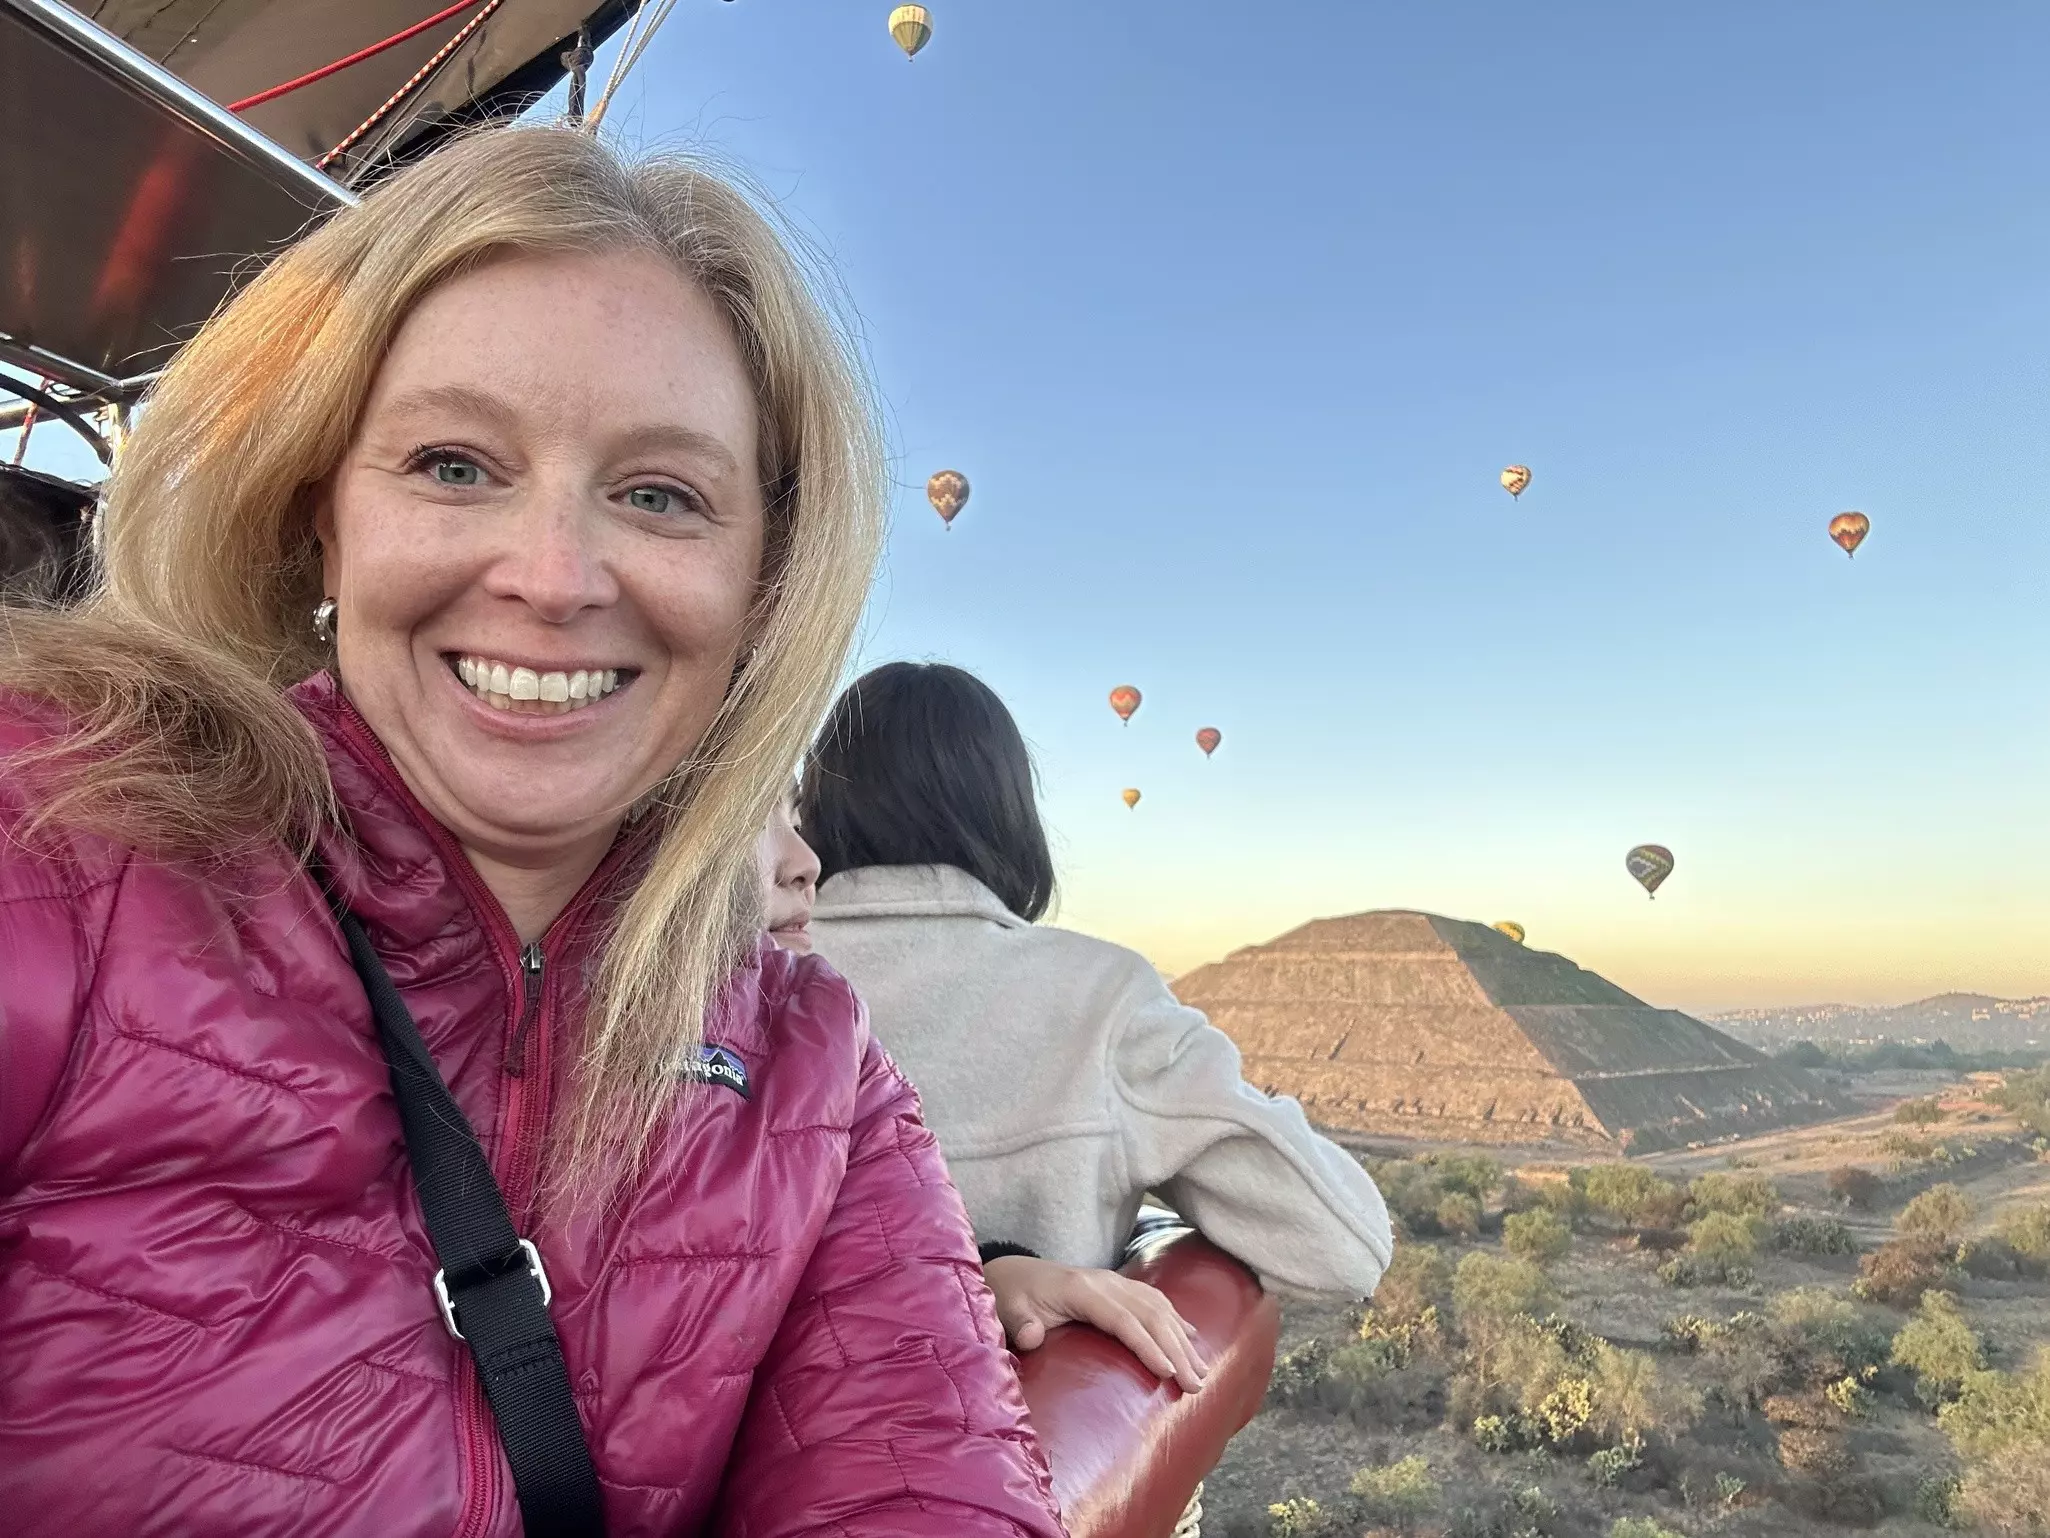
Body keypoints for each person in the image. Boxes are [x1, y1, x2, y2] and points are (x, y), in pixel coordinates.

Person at [0, 129, 1065, 1538]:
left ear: (762, 579)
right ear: (323, 511)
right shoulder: (65, 838)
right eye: (452, 464)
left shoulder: (819, 1078)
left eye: (659, 493)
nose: (553, 577)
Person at [800, 662, 1394, 1305]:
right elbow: (1345, 1247)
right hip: (1018, 1403)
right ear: (1009, 811)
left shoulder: (730, 982)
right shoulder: (1100, 996)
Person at [757, 788, 1208, 1391]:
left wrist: (989, 1271)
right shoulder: (802, 1021)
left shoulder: (822, 1032)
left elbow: (847, 1253)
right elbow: (1338, 1242)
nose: (806, 860)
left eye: (794, 818)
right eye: (749, 818)